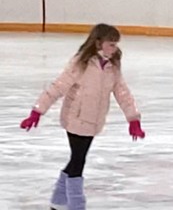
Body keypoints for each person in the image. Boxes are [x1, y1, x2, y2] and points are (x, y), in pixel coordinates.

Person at [20, 23, 145, 210]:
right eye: (111, 44)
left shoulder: (113, 66)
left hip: (94, 120)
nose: (114, 48)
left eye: (115, 44)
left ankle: (58, 199)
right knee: (79, 160)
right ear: (98, 43)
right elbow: (57, 87)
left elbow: (122, 92)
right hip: (75, 118)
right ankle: (77, 205)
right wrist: (37, 111)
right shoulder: (81, 63)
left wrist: (133, 118)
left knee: (76, 159)